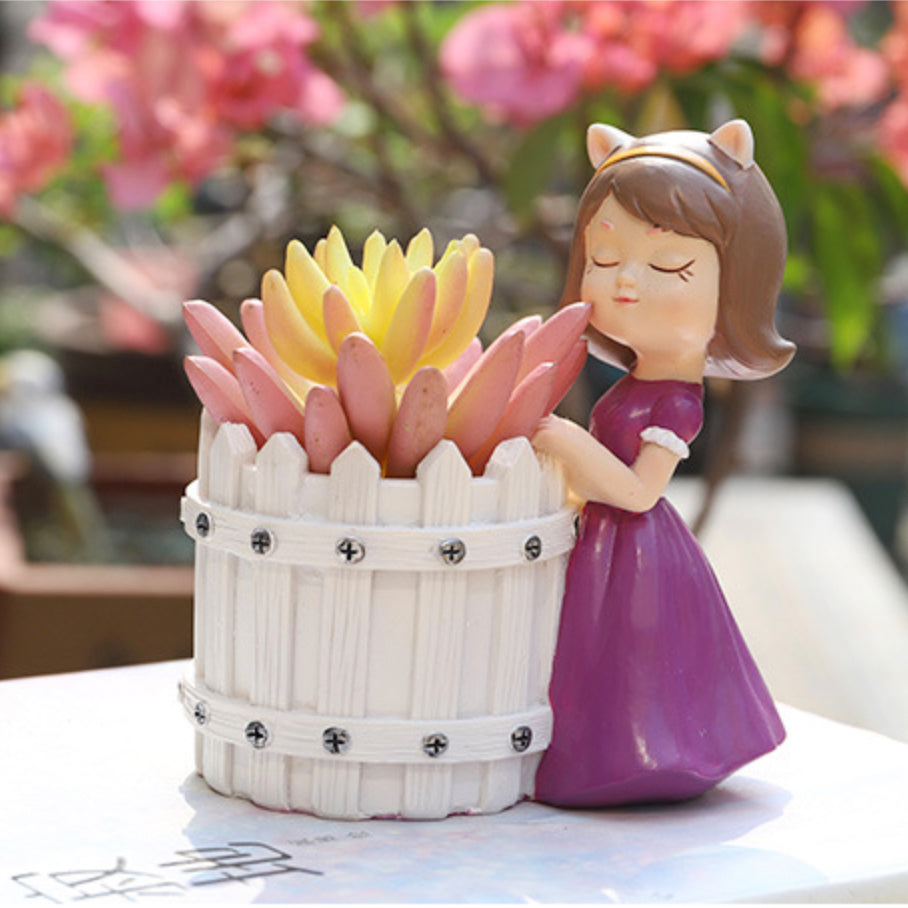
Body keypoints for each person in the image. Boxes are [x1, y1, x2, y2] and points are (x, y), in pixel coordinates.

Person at [532, 119, 795, 807]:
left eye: (670, 267)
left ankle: (637, 760)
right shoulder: (634, 383)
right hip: (600, 541)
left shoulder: (676, 402)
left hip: (638, 552)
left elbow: (639, 493)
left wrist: (567, 442)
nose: (625, 283)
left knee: (629, 665)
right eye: (603, 259)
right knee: (586, 660)